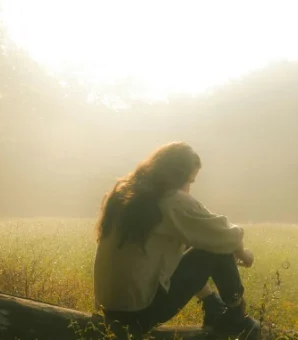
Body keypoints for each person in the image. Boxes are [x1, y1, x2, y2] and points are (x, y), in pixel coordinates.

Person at [93, 142, 261, 338]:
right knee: (215, 246)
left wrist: (208, 296)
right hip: (138, 315)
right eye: (189, 181)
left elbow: (173, 260)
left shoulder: (126, 193)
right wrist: (244, 255)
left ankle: (212, 305)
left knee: (202, 241)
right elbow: (225, 234)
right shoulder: (170, 199)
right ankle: (236, 318)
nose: (189, 189)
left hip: (111, 311)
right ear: (177, 176)